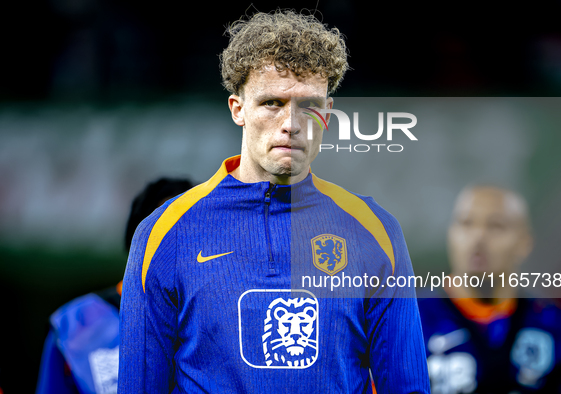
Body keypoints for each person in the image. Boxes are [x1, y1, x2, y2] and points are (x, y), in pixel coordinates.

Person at [118, 10, 430, 394]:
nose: (291, 123)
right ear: (238, 109)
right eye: (272, 103)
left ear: (327, 115)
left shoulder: (374, 232)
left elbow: (407, 388)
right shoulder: (163, 235)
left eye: (308, 105)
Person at [418, 185, 561, 393]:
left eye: (496, 226)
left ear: (524, 243)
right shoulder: (408, 322)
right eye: (465, 224)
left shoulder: (558, 329)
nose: (478, 237)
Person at [36, 177, 194, 394]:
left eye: (192, 235)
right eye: (165, 235)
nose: (178, 249)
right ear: (136, 244)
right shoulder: (74, 326)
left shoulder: (228, 323)